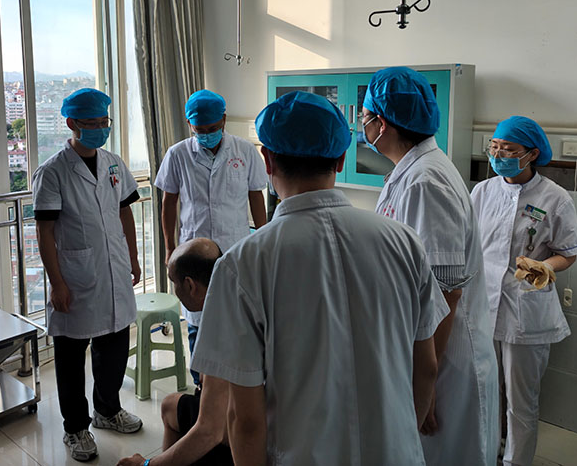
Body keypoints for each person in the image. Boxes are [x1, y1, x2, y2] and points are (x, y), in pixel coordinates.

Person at [190, 91, 448, 465]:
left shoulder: (241, 265)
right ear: (341, 159)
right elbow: (426, 369)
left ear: (267, 160)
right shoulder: (404, 242)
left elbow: (245, 421)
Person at [361, 66, 499, 465]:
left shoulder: (426, 182)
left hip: (447, 362)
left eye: (364, 116)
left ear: (381, 124)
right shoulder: (410, 172)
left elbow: (445, 291)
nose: (361, 125)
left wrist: (428, 378)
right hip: (427, 353)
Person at [33, 88, 143, 462]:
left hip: (114, 269)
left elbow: (125, 211)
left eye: (103, 122)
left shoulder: (113, 163)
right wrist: (56, 283)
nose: (100, 129)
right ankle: (75, 427)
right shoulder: (53, 172)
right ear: (72, 124)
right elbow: (45, 231)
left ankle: (107, 410)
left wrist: (133, 257)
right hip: (75, 276)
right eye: (91, 123)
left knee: (114, 345)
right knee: (70, 356)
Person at [471, 116, 577, 466]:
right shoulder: (482, 192)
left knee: (521, 401)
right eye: (494, 146)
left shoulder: (555, 198)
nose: (498, 154)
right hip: (483, 306)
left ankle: (516, 461)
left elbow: (568, 253)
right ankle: (486, 455)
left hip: (525, 310)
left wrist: (546, 266)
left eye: (508, 149)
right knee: (485, 393)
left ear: (531, 154)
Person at [155, 89, 268, 386]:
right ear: (189, 124)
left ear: (224, 120)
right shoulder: (178, 154)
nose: (206, 134)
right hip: (192, 252)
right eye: (200, 130)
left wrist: (264, 239)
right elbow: (169, 202)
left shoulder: (245, 151)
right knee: (198, 321)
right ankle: (202, 387)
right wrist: (169, 248)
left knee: (237, 318)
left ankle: (236, 385)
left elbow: (256, 196)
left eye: (212, 128)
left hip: (235, 248)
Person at [118, 238, 233, 466]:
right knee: (171, 405)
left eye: (173, 283)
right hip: (274, 416)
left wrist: (146, 465)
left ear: (190, 285)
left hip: (252, 437)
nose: (175, 291)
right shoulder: (233, 299)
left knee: (175, 410)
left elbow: (210, 432)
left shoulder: (219, 330)